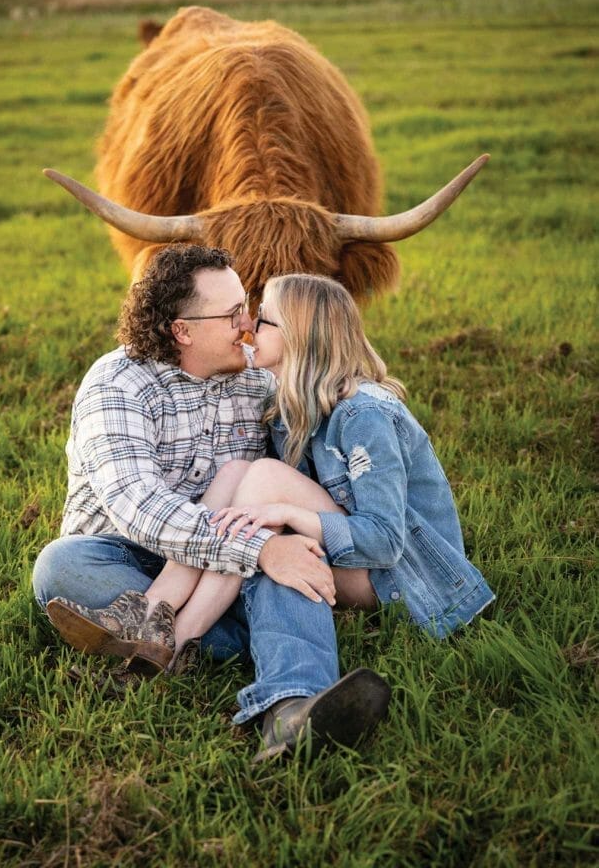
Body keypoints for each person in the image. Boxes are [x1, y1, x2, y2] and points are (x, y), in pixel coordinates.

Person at [33, 246, 391, 760]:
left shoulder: (260, 381)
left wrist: (284, 543)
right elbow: (141, 508)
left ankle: (291, 706)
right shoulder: (117, 385)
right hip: (132, 556)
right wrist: (259, 550)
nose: (249, 323)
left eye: (246, 306)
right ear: (182, 330)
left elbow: (297, 478)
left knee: (290, 553)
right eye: (231, 314)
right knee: (61, 565)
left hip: (221, 572)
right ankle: (240, 638)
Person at [212, 273, 495, 640]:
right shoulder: (288, 407)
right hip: (351, 558)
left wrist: (287, 513)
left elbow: (384, 543)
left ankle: (187, 629)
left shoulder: (364, 416)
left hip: (404, 580)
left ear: (299, 335)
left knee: (265, 477)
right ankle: (168, 605)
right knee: (237, 472)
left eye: (263, 319)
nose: (249, 326)